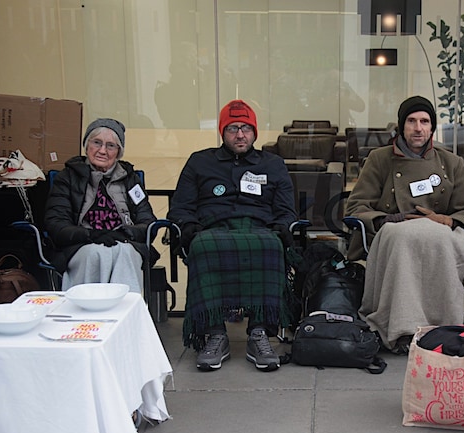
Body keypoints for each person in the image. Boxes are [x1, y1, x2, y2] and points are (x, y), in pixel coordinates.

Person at [345, 96, 464, 353]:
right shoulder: (379, 159)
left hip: (438, 232)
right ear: (401, 126)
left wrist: (448, 219)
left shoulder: (452, 163)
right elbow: (356, 206)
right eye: (411, 121)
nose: (418, 128)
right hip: (394, 232)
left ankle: (442, 326)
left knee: (441, 239)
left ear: (432, 127)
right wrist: (388, 219)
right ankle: (402, 327)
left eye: (424, 121)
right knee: (403, 238)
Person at [168, 99, 296, 372]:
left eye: (246, 128)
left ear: (255, 133)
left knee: (271, 246)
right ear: (222, 132)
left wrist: (283, 226)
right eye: (233, 128)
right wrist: (188, 226)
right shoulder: (199, 162)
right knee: (203, 246)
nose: (240, 134)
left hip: (260, 226)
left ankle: (259, 332)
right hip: (213, 227)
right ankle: (215, 333)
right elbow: (181, 206)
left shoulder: (272, 164)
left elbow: (286, 209)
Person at [45, 118, 157, 293]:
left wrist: (126, 232)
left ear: (119, 152)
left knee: (125, 252)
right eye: (97, 143)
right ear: (86, 145)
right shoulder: (67, 177)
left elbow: (148, 222)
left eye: (111, 146)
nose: (102, 151)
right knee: (99, 253)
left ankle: (125, 315)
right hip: (81, 245)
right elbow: (55, 224)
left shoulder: (130, 179)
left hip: (124, 243)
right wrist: (89, 234)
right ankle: (88, 315)